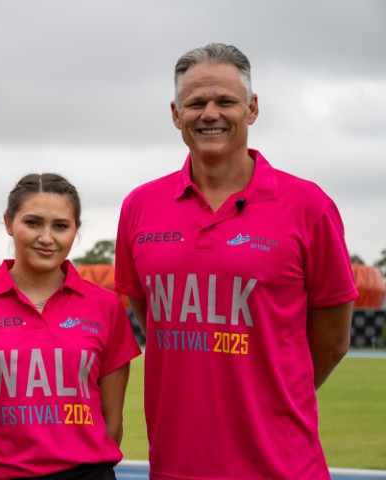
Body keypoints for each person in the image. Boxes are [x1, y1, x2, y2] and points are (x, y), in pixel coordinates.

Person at [114, 43, 358, 479]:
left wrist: (275, 395)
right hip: (175, 467)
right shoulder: (139, 206)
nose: (210, 113)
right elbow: (150, 318)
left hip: (282, 467)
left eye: (225, 101)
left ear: (252, 108)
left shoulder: (309, 205)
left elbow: (334, 340)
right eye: (196, 103)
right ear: (175, 113)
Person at [0, 173, 141, 480]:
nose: (46, 237)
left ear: (75, 231)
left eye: (60, 226)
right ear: (8, 223)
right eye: (32, 223)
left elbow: (112, 422)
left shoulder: (107, 307)